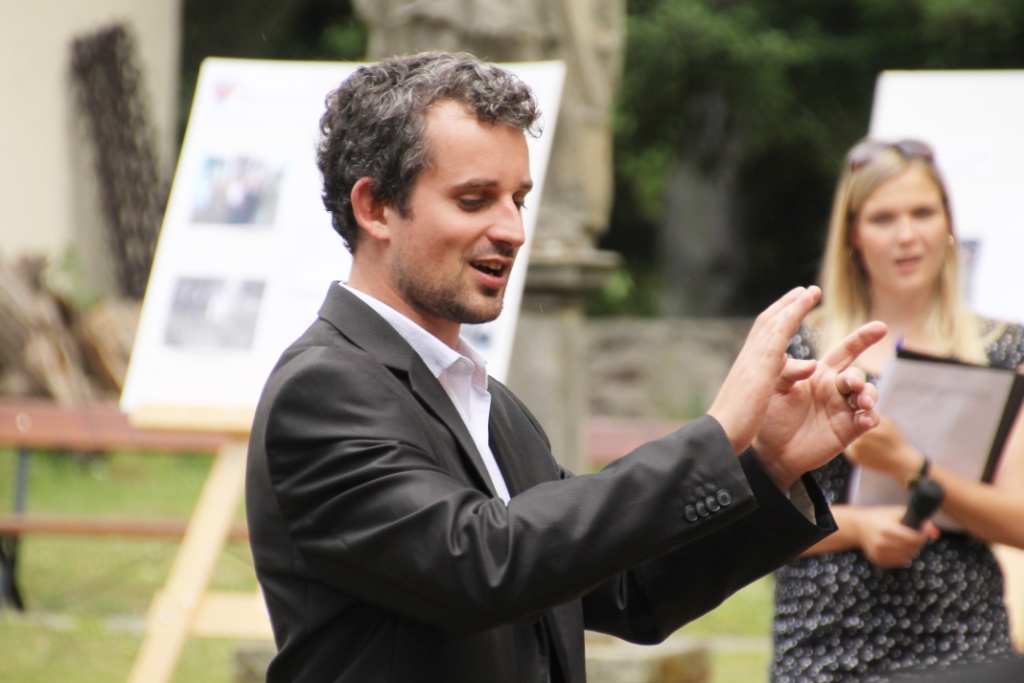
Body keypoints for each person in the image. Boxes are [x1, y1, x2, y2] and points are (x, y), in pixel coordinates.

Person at [245, 51, 886, 683]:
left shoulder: (490, 404)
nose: (513, 230)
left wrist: (768, 465)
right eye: (474, 200)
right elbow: (483, 565)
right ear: (375, 207)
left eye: (517, 200)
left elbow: (629, 589)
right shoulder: (324, 388)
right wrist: (716, 435)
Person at [770, 138, 1024, 683]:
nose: (907, 235)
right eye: (883, 218)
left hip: (964, 641)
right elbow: (751, 512)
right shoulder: (804, 350)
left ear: (949, 224)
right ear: (853, 234)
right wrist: (859, 526)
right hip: (825, 640)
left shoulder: (1004, 351)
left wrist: (912, 467)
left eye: (922, 213)